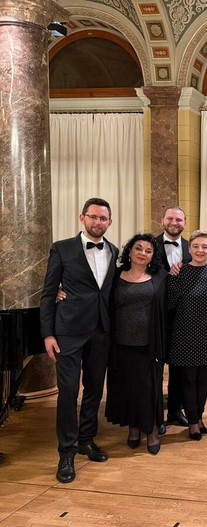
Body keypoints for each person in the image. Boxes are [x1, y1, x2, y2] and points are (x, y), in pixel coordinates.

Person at [40, 197, 119, 483]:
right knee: (68, 391)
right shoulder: (62, 248)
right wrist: (48, 333)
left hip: (101, 331)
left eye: (103, 218)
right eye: (93, 217)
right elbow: (48, 292)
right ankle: (66, 452)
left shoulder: (113, 250)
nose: (98, 222)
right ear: (82, 217)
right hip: (68, 331)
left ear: (109, 222)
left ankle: (87, 439)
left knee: (95, 388)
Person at [104, 234, 167, 455]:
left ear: (153, 256)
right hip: (121, 344)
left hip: (149, 345)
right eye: (138, 248)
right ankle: (133, 427)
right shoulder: (115, 275)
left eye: (148, 251)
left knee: (149, 389)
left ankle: (152, 430)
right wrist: (60, 290)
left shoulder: (160, 276)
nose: (142, 253)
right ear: (129, 251)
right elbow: (94, 293)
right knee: (128, 388)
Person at [166, 230, 207, 441]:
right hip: (185, 334)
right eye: (196, 246)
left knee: (203, 381)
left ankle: (199, 416)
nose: (200, 250)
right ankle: (192, 422)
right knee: (188, 381)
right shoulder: (179, 272)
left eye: (204, 246)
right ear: (189, 249)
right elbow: (171, 304)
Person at [155, 206, 191, 429]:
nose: (174, 222)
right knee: (156, 367)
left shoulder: (191, 247)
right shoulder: (149, 245)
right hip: (156, 315)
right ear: (162, 220)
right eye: (170, 218)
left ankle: (176, 410)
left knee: (179, 365)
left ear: (185, 223)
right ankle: (155, 414)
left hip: (183, 317)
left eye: (179, 219)